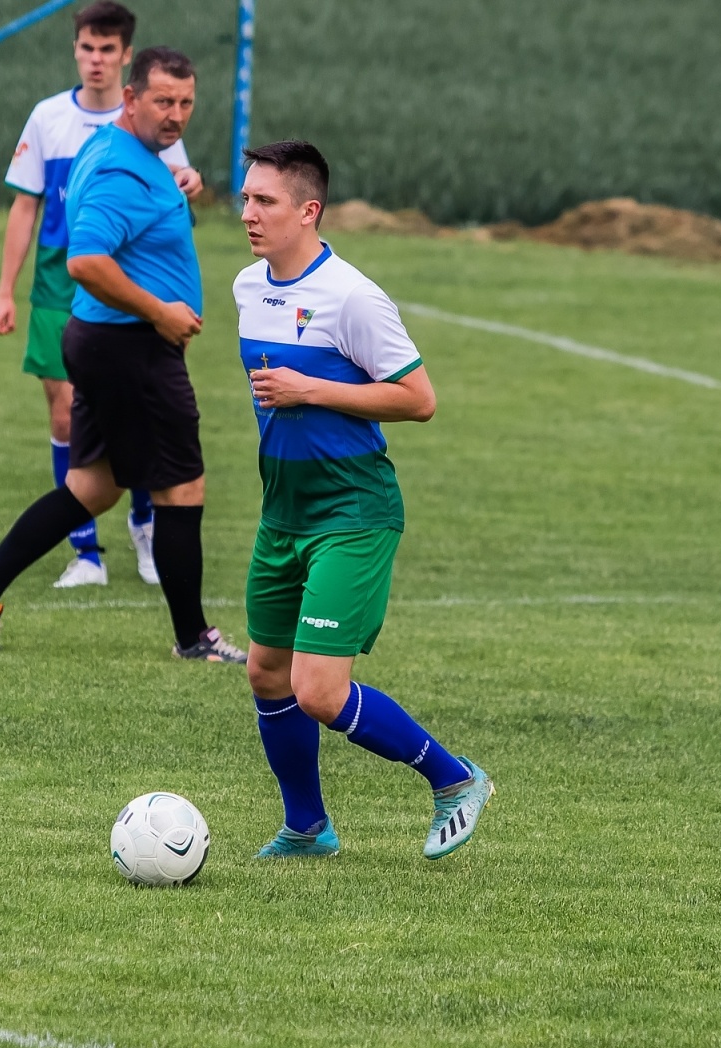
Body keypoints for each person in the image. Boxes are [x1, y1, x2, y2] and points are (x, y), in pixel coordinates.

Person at [0, 47, 246, 664]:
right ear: (131, 98)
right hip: (131, 349)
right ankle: (195, 639)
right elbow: (86, 259)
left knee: (92, 487)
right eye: (163, 100)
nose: (176, 114)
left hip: (108, 343)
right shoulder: (118, 170)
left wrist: (174, 182)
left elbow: (131, 219)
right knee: (182, 487)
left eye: (186, 102)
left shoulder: (124, 153)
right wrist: (160, 311)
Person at [233, 141, 494, 860]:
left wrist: (311, 388)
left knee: (318, 690)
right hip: (282, 511)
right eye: (246, 198)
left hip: (353, 512)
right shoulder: (247, 289)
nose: (248, 213)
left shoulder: (351, 296)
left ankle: (456, 779)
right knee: (265, 670)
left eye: (266, 202)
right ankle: (308, 827)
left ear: (308, 210)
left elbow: (418, 399)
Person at [0, 1, 203, 588]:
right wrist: (5, 290)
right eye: (87, 47)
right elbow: (35, 213)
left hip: (116, 308)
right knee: (88, 427)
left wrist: (189, 182)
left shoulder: (141, 134)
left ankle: (139, 530)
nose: (96, 58)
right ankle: (93, 557)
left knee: (103, 469)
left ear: (125, 57)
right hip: (90, 302)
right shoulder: (62, 124)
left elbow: (176, 184)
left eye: (107, 48)